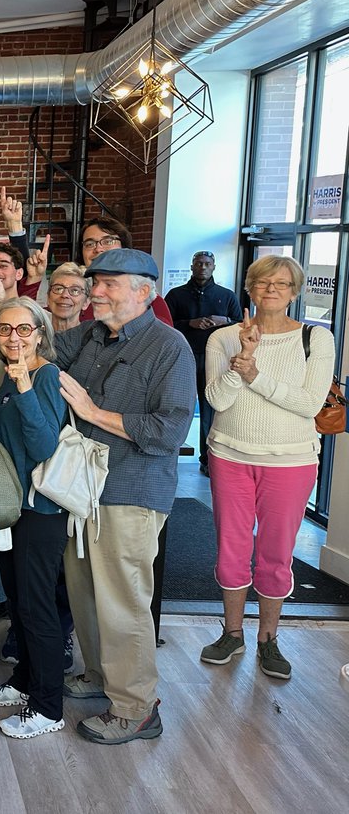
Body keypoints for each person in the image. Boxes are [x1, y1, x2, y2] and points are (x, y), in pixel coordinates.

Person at [54, 248, 195, 745]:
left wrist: (93, 412)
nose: (96, 291)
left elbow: (169, 430)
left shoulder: (170, 346)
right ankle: (100, 677)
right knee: (87, 593)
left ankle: (137, 709)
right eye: (96, 282)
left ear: (144, 291)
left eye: (109, 284)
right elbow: (39, 347)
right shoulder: (93, 336)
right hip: (83, 490)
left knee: (123, 602)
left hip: (131, 490)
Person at [200, 255, 333, 680]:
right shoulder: (223, 338)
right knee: (230, 551)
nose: (272, 289)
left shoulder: (317, 339)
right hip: (230, 456)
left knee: (275, 554)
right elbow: (218, 400)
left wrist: (255, 373)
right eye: (263, 282)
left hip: (291, 461)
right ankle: (233, 632)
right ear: (250, 288)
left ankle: (268, 639)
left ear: (295, 291)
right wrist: (243, 358)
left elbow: (310, 405)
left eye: (282, 283)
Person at [0, 299, 69, 739]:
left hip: (40, 512)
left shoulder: (45, 376)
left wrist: (27, 388)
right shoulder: (10, 378)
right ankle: (25, 682)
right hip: (12, 509)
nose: (13, 337)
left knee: (38, 610)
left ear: (39, 333)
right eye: (4, 329)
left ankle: (49, 707)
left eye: (23, 329)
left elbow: (44, 447)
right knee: (20, 606)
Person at [164, 251, 241, 475]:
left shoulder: (226, 296)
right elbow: (164, 325)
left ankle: (208, 460)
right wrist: (190, 323)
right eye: (199, 263)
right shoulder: (176, 295)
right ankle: (168, 453)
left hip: (215, 360)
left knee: (209, 409)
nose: (203, 267)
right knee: (178, 406)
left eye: (207, 264)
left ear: (214, 267)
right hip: (183, 357)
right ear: (192, 266)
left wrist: (223, 321)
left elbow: (240, 324)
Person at [46, 263, 88, 333]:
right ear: (48, 297)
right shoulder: (34, 337)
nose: (65, 295)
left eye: (75, 290)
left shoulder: (92, 341)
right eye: (58, 289)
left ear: (86, 302)